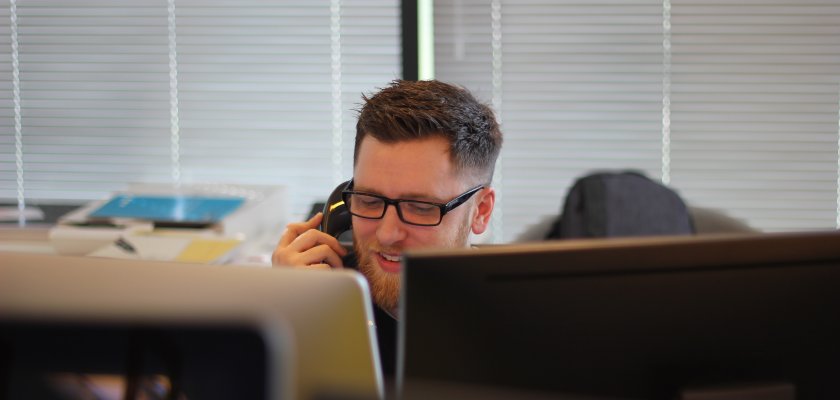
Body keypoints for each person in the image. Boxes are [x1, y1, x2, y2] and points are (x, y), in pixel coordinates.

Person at [271, 79, 503, 376]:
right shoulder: (315, 296)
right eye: (369, 200)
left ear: (481, 211)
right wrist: (283, 315)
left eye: (420, 207)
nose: (387, 234)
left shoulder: (525, 325)